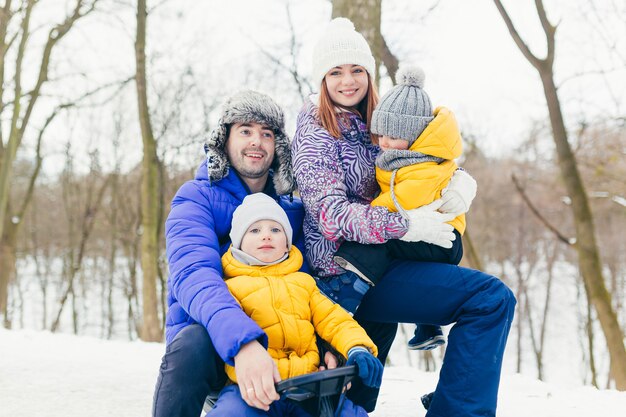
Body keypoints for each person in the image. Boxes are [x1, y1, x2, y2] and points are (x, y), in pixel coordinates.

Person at [291, 17, 516, 416]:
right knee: (490, 299)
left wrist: (462, 182)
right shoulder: (315, 132)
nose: (348, 81)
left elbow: (426, 160)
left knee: (350, 407)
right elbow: (331, 215)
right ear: (321, 79)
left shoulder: (381, 117)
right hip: (344, 273)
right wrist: (408, 225)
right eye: (336, 72)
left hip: (388, 262)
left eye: (357, 69)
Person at [152, 90, 357, 417]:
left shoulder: (291, 211)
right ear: (225, 139)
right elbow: (195, 276)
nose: (256, 141)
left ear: (277, 145)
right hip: (216, 345)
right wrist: (243, 343)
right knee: (192, 343)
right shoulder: (195, 198)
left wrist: (329, 345)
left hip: (286, 351)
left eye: (266, 133)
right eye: (245, 130)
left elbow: (309, 287)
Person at [332, 64, 473, 350]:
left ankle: (348, 289)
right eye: (379, 135)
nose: (383, 143)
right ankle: (428, 325)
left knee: (379, 243)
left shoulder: (423, 165)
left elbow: (402, 200)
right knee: (402, 257)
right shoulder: (405, 155)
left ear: (415, 136)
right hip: (429, 234)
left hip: (443, 238)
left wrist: (369, 212)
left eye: (391, 137)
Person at [208, 192, 383, 417]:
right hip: (253, 389)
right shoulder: (230, 288)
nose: (266, 236)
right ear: (239, 243)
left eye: (275, 230)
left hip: (309, 386)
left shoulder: (304, 283)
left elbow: (334, 319)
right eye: (254, 230)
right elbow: (225, 329)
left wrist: (357, 347)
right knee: (231, 413)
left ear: (287, 242)